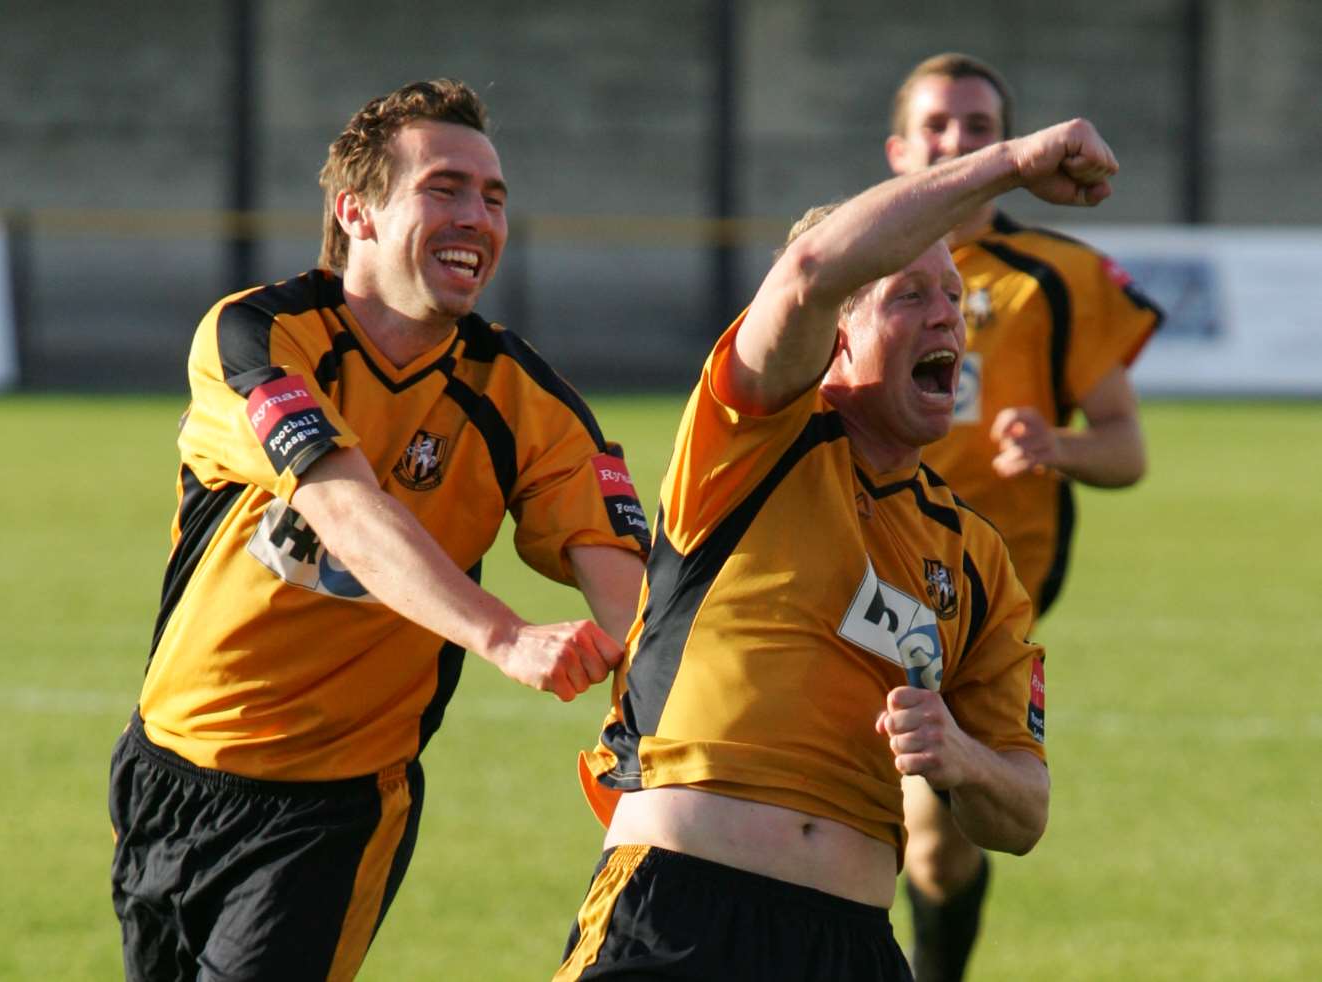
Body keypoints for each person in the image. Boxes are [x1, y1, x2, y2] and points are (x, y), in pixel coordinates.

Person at [554, 115, 1122, 982]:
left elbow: (1023, 810)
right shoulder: (754, 439)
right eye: (908, 296)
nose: (949, 318)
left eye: (951, 297)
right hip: (678, 916)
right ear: (834, 339)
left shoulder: (975, 556)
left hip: (850, 947)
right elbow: (813, 269)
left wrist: (963, 760)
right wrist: (1007, 163)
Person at [107, 79, 650, 982]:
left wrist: (665, 712)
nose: (477, 216)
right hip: (166, 769)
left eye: (493, 197)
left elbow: (629, 590)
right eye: (444, 188)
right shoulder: (256, 334)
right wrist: (504, 633)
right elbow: (341, 503)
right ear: (355, 211)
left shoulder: (526, 401)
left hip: (334, 810)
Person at [884, 53, 1163, 982]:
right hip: (845, 567)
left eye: (975, 125)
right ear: (896, 148)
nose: (953, 141)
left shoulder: (1056, 276)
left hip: (975, 602)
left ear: (1006, 145)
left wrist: (1056, 445)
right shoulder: (856, 263)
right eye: (935, 125)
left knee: (936, 841)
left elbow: (1125, 449)